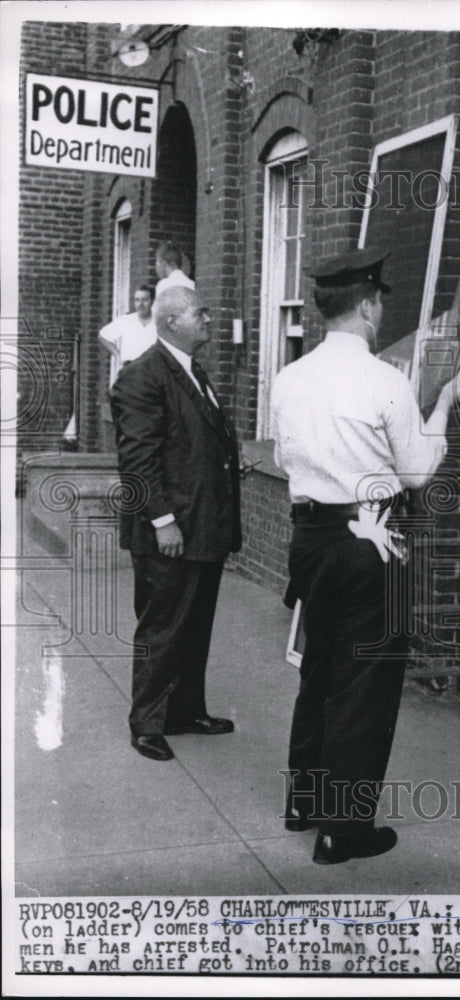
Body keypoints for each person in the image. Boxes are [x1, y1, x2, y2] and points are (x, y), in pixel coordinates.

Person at [270, 247, 460, 864]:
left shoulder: (289, 378)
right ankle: (344, 832)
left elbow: (285, 461)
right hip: (370, 544)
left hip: (310, 542)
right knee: (364, 686)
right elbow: (415, 473)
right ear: (365, 305)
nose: (382, 308)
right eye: (380, 299)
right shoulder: (385, 381)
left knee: (320, 670)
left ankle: (304, 803)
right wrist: (441, 407)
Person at [110, 286, 241, 762]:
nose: (209, 318)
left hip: (202, 527)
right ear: (170, 322)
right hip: (170, 531)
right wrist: (162, 520)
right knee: (163, 627)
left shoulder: (190, 369)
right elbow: (138, 460)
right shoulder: (142, 376)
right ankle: (146, 723)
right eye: (199, 312)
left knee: (194, 625)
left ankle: (185, 712)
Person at [98, 285, 157, 387]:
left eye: (145, 300)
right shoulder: (126, 320)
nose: (140, 304)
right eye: (137, 300)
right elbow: (103, 335)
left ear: (152, 301)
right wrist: (117, 355)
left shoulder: (159, 323)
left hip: (152, 374)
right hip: (129, 372)